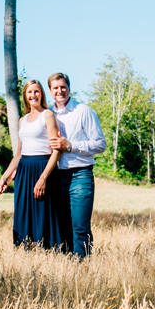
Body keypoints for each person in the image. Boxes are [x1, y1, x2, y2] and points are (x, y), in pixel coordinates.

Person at [0, 80, 63, 249]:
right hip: (24, 170)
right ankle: (24, 250)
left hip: (43, 168)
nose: (33, 95)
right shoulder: (22, 120)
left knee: (43, 212)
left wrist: (43, 178)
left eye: (37, 91)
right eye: (30, 92)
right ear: (25, 96)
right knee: (23, 212)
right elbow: (18, 155)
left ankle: (48, 251)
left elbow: (56, 151)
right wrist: (4, 178)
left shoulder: (47, 115)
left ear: (41, 94)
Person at [47, 72, 106, 258]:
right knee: (62, 226)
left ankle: (83, 268)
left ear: (69, 88)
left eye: (63, 87)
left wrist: (71, 146)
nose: (60, 91)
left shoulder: (84, 111)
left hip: (80, 174)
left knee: (80, 226)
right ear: (50, 91)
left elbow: (100, 144)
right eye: (55, 88)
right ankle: (67, 267)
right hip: (56, 176)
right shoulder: (48, 114)